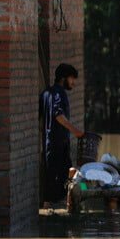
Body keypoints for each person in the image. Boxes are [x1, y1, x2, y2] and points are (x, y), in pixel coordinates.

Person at [39, 63, 84, 207]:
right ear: (63, 78)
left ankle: (65, 202)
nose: (73, 82)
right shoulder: (59, 93)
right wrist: (75, 131)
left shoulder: (46, 93)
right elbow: (58, 115)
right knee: (60, 177)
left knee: (60, 175)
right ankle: (54, 206)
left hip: (51, 143)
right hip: (57, 142)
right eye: (72, 79)